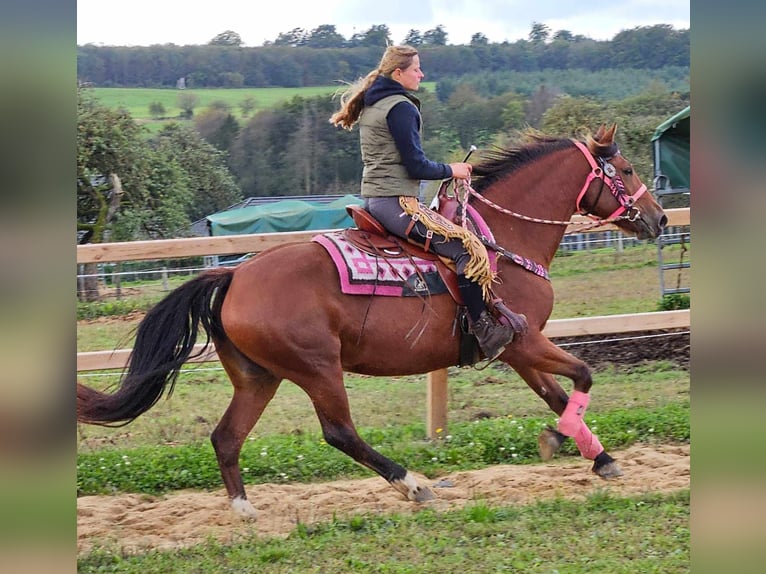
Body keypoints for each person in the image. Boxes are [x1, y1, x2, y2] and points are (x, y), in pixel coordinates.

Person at [330, 44, 525, 359]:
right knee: (468, 250)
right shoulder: (401, 107)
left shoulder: (374, 103)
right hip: (398, 204)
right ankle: (484, 331)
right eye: (416, 68)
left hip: (378, 200)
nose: (422, 74)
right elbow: (416, 166)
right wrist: (454, 169)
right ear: (398, 73)